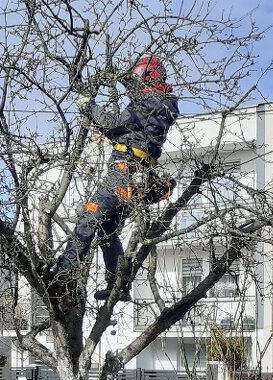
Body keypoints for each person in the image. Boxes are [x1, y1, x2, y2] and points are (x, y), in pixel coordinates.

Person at [51, 55, 180, 301]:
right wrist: (116, 78)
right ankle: (118, 285)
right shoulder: (161, 106)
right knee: (108, 231)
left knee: (88, 219)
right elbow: (130, 124)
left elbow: (112, 124)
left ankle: (63, 271)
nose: (133, 86)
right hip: (137, 179)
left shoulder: (150, 102)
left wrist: (87, 103)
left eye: (136, 80)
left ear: (146, 78)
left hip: (123, 174)